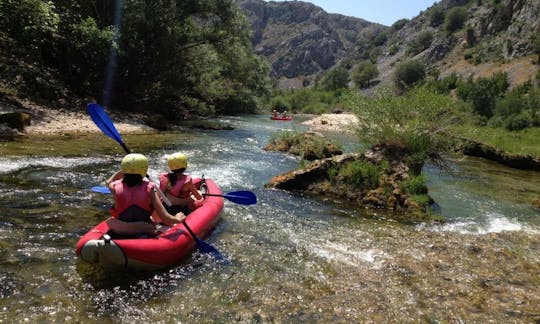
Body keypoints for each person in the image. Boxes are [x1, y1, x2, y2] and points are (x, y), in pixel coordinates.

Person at [106, 153, 186, 235]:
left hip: (121, 228)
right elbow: (165, 218)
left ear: (123, 169)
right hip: (143, 228)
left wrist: (124, 170)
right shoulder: (149, 189)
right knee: (153, 220)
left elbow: (109, 181)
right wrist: (178, 218)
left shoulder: (114, 187)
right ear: (144, 169)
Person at [155, 152, 203, 221]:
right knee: (194, 198)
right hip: (180, 210)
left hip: (165, 209)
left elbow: (161, 193)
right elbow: (198, 197)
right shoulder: (188, 182)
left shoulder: (164, 178)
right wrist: (199, 193)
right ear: (185, 165)